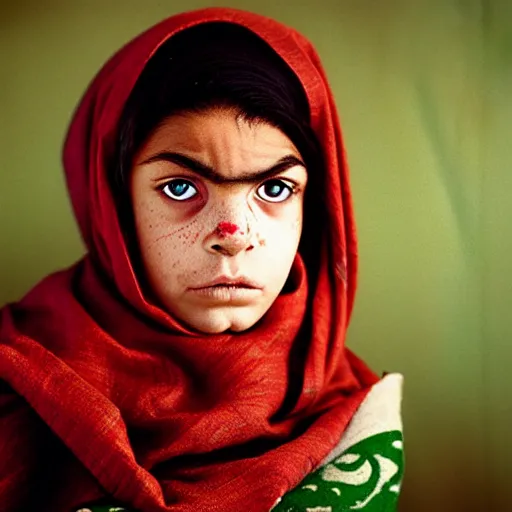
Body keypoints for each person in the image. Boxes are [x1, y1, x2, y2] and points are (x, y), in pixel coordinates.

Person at [0, 7, 403, 512]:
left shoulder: (353, 413)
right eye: (180, 186)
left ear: (314, 206)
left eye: (276, 188)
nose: (233, 238)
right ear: (113, 204)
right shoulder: (19, 385)